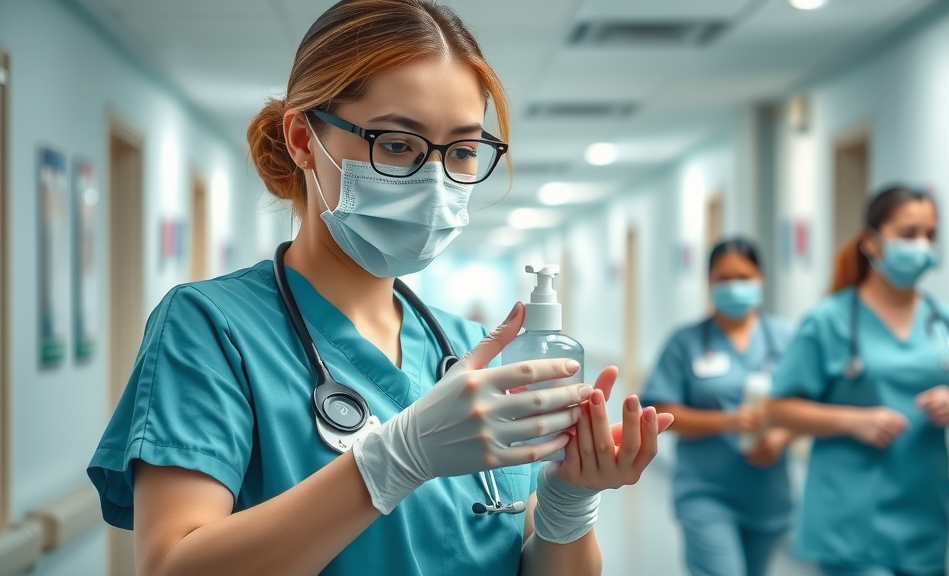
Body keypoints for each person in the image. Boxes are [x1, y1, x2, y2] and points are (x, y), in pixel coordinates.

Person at [85, 2, 673, 575]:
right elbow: (171, 565)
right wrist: (395, 458)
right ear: (303, 139)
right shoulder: (210, 328)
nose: (435, 179)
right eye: (396, 144)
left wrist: (567, 507)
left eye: (463, 151)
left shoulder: (471, 353)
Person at [767, 185, 949, 576]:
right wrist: (853, 421)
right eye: (908, 234)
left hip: (924, 517)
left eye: (930, 235)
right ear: (871, 242)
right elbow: (777, 409)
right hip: (850, 520)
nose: (922, 245)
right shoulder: (829, 320)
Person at [641, 238, 795, 576]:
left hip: (767, 494)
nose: (734, 286)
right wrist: (728, 422)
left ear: (761, 278)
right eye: (723, 278)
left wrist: (783, 436)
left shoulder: (786, 338)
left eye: (744, 277)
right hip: (705, 492)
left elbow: (808, 402)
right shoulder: (685, 342)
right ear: (709, 282)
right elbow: (661, 411)